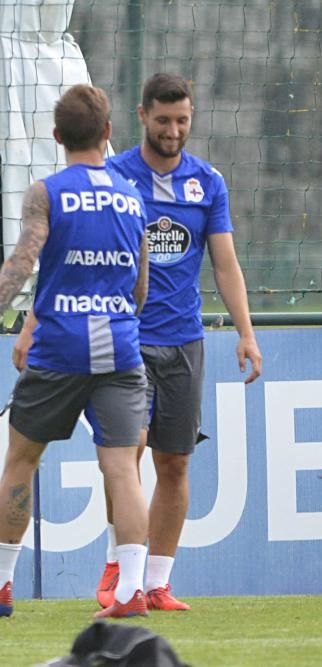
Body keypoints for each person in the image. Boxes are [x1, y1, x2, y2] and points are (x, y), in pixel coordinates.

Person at [14, 73, 263, 612]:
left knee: (173, 462)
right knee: (125, 454)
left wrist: (245, 332)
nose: (174, 130)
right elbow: (77, 266)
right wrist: (35, 320)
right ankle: (117, 568)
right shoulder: (117, 176)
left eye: (183, 121)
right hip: (126, 339)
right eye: (164, 120)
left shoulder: (207, 183)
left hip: (183, 339)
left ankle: (155, 582)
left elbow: (224, 262)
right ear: (139, 117)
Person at [0, 84, 151, 618]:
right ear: (109, 132)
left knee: (21, 461)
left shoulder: (47, 192)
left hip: (59, 348)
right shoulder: (132, 194)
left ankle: (1, 584)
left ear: (58, 136)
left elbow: (23, 261)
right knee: (123, 471)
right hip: (120, 349)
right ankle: (132, 588)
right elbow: (140, 287)